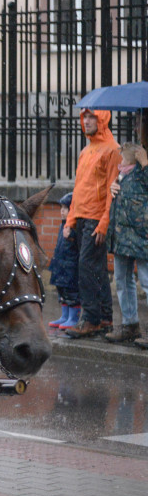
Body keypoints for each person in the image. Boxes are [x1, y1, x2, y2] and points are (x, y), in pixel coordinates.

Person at [64, 108, 122, 339]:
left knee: (87, 267)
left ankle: (90, 319)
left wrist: (103, 223)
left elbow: (111, 191)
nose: (86, 121)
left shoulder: (113, 150)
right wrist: (70, 220)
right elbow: (78, 188)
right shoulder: (85, 151)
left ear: (102, 120)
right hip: (82, 217)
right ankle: (104, 317)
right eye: (84, 117)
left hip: (96, 218)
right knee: (96, 268)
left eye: (91, 117)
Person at [103, 142, 148, 346]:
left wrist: (145, 164)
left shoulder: (142, 172)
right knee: (122, 280)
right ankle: (130, 325)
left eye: (123, 156)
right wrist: (113, 187)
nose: (120, 160)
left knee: (146, 282)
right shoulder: (122, 174)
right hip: (122, 238)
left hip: (142, 237)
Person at [48, 192, 82, 330]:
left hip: (70, 266)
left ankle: (73, 318)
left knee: (72, 293)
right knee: (61, 291)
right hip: (60, 265)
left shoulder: (75, 227)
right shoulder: (62, 225)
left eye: (65, 208)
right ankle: (65, 316)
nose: (62, 211)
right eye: (61, 208)